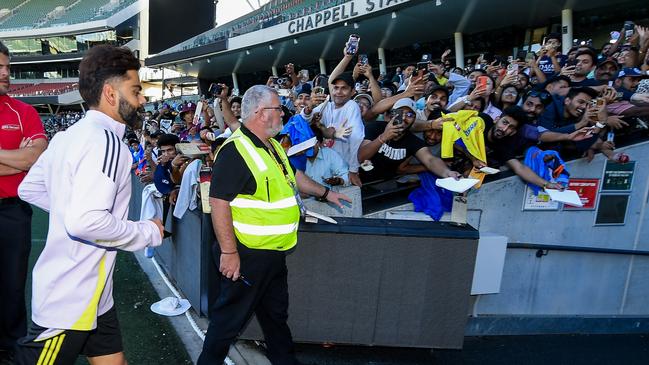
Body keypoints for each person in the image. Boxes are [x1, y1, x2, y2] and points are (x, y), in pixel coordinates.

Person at [15, 44, 164, 365]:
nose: (141, 100)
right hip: (72, 295)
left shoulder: (70, 135)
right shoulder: (107, 142)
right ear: (111, 94)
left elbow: (30, 188)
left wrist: (76, 213)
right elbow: (85, 222)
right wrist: (147, 231)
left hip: (95, 294)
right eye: (135, 91)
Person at [198, 85, 350, 365]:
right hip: (247, 256)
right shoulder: (235, 151)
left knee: (275, 318)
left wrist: (326, 193)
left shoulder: (273, 144)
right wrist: (229, 254)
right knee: (227, 323)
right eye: (278, 108)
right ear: (260, 112)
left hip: (273, 254)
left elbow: (294, 176)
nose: (283, 113)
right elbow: (219, 203)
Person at [0, 41, 48, 364]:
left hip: (13, 212)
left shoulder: (24, 112)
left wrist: (24, 159)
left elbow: (36, 157)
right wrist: (16, 159)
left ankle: (12, 348)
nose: (6, 74)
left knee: (13, 286)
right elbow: (24, 159)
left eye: (8, 67)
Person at [357, 98, 461, 182]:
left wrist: (448, 173)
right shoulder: (374, 128)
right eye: (400, 112)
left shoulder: (412, 141)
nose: (404, 117)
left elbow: (430, 160)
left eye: (410, 115)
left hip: (385, 185)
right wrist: (384, 137)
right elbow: (361, 157)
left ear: (414, 119)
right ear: (392, 114)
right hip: (359, 180)